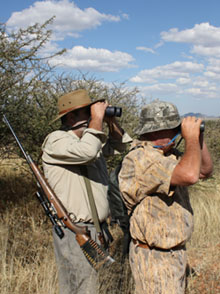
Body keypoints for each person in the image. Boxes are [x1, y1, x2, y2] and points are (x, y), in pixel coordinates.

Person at [41, 89, 132, 294]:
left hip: (97, 230)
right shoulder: (57, 140)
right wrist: (97, 120)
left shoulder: (87, 141)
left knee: (94, 287)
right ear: (71, 117)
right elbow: (88, 152)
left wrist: (110, 122)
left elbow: (118, 146)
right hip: (75, 229)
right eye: (87, 113)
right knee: (80, 287)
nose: (92, 117)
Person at [118, 100, 213, 294]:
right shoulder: (141, 159)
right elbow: (189, 175)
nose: (176, 132)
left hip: (174, 255)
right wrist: (191, 140)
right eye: (171, 128)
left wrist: (198, 138)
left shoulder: (167, 155)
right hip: (155, 259)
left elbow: (204, 171)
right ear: (154, 132)